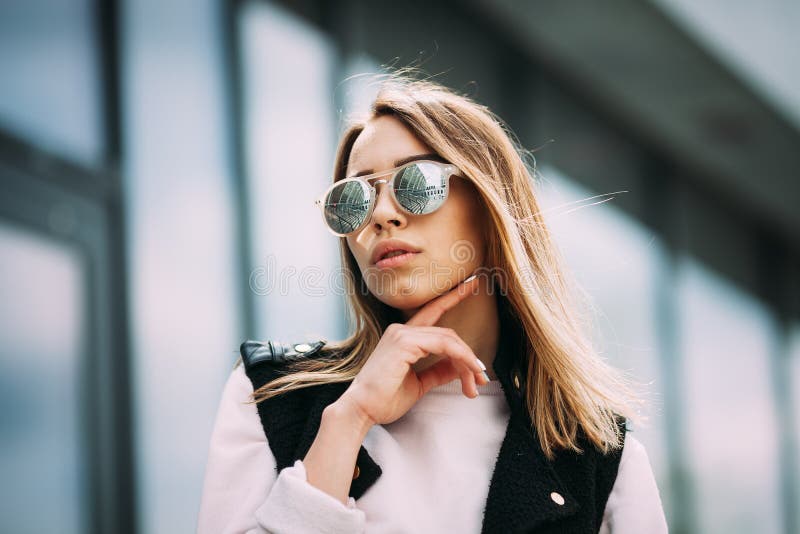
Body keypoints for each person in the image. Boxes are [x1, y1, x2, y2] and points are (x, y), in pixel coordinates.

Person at [197, 69, 668, 533]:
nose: (381, 215)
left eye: (416, 184)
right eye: (353, 199)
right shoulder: (270, 395)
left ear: (490, 204)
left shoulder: (599, 457)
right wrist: (349, 419)